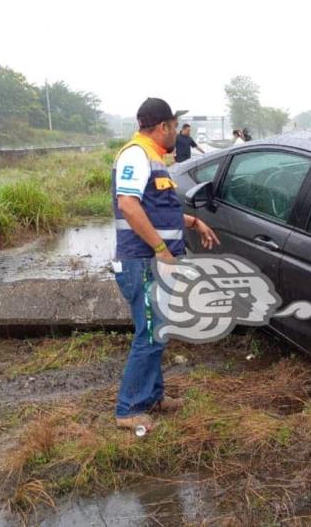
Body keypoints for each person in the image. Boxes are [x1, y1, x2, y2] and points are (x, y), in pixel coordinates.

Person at [112, 97, 220, 432]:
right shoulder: (136, 154)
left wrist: (191, 222)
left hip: (152, 262)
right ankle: (128, 410)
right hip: (143, 262)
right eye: (174, 125)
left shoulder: (154, 158)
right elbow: (128, 204)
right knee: (149, 335)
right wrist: (160, 249)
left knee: (157, 330)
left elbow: (156, 208)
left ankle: (153, 396)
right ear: (163, 127)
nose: (176, 131)